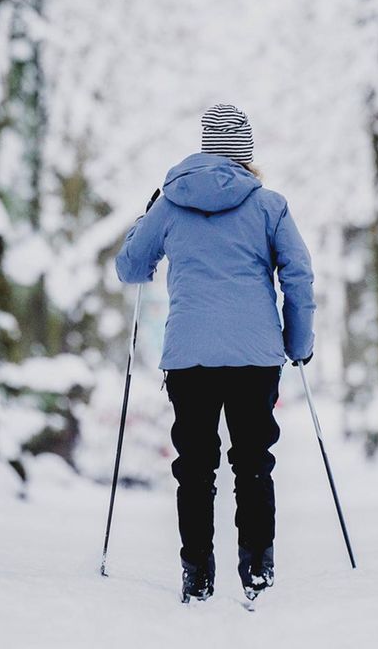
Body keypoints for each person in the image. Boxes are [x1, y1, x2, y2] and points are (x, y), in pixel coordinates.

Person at [114, 103, 315, 604]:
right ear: (245, 152)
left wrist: (144, 221)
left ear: (207, 147)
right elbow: (298, 277)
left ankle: (197, 574)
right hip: (255, 356)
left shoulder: (171, 202)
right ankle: (257, 572)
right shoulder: (270, 205)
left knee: (195, 465)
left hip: (190, 356)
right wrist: (298, 343)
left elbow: (131, 268)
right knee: (253, 461)